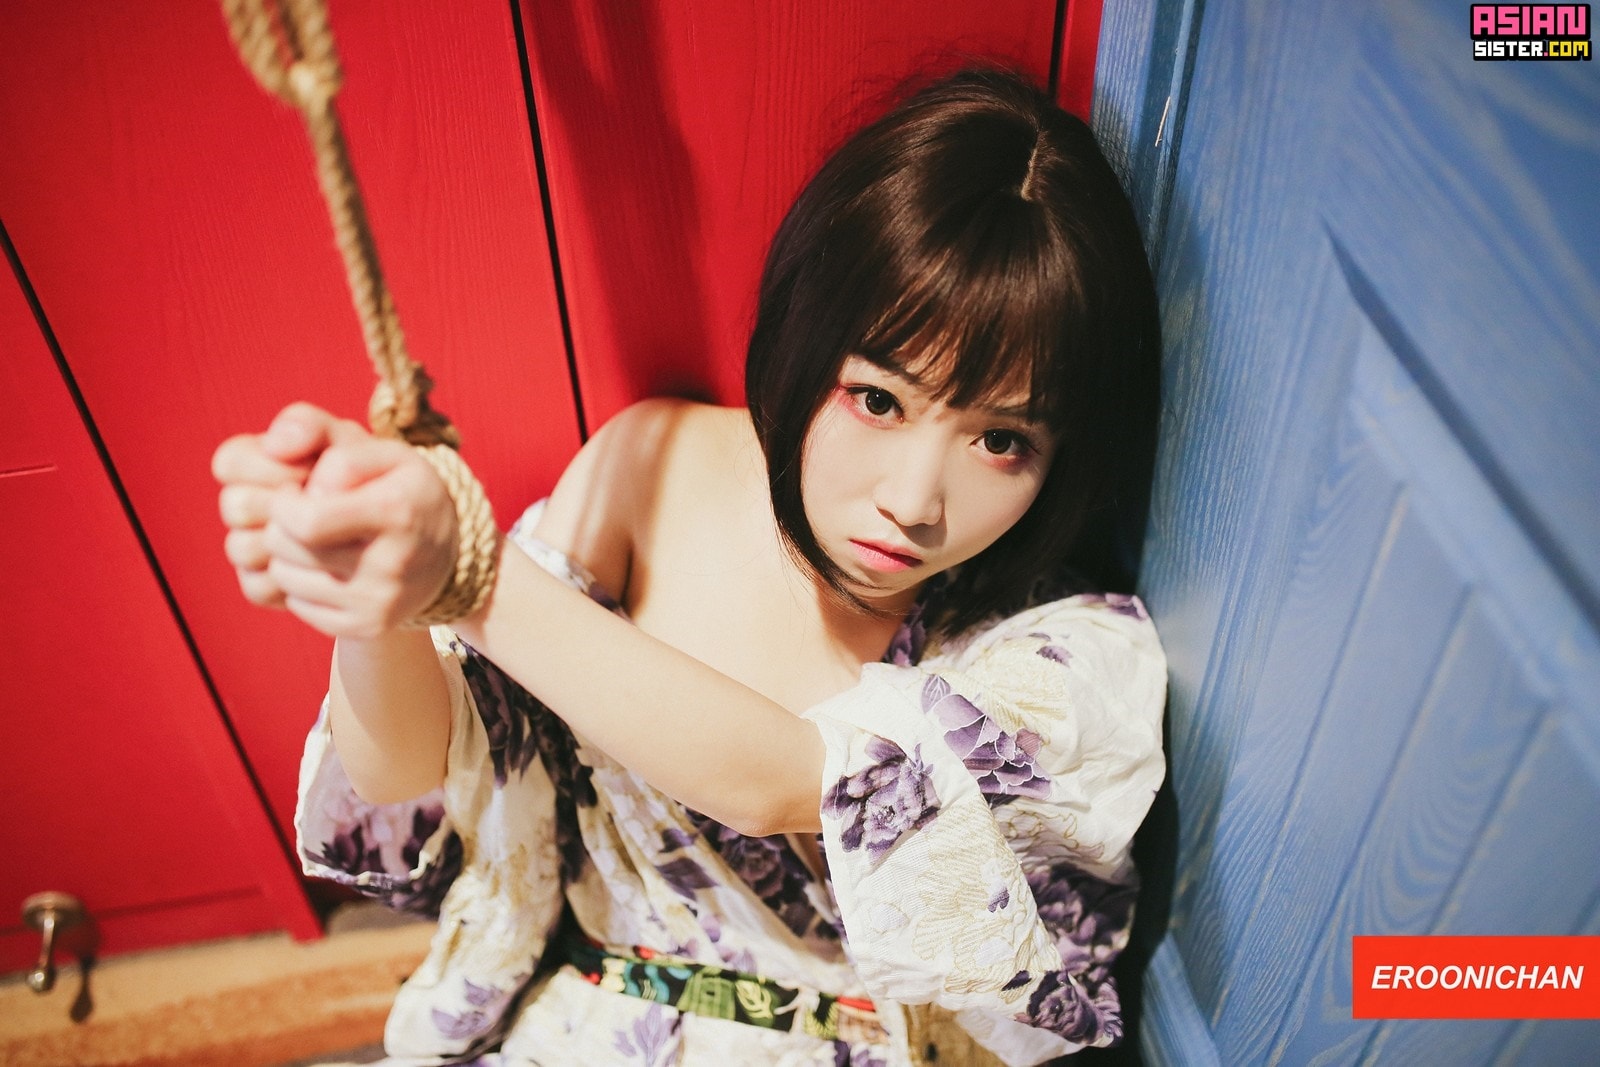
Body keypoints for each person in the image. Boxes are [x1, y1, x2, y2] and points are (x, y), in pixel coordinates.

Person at [212, 67, 1166, 1067]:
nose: (915, 501)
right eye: (878, 399)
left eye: (1001, 440)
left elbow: (793, 781)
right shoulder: (655, 462)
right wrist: (374, 605)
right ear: (805, 336)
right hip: (576, 1028)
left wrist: (468, 574)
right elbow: (414, 767)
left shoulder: (1069, 653)